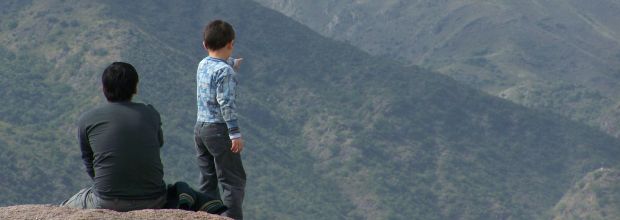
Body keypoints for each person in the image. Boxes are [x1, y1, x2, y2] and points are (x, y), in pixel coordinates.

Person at [62, 62, 227, 213]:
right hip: (154, 199)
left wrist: (110, 186)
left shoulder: (87, 119)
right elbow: (157, 144)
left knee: (68, 205)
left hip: (106, 201)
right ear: (135, 88)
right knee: (179, 190)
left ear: (104, 88)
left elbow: (89, 162)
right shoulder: (150, 114)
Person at [194, 20, 246, 220]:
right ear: (231, 43)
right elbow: (226, 104)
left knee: (208, 178)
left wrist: (232, 62)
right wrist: (235, 133)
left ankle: (207, 215)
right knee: (233, 180)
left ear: (205, 45)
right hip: (218, 129)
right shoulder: (226, 72)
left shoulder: (203, 64)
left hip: (200, 128)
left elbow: (215, 66)